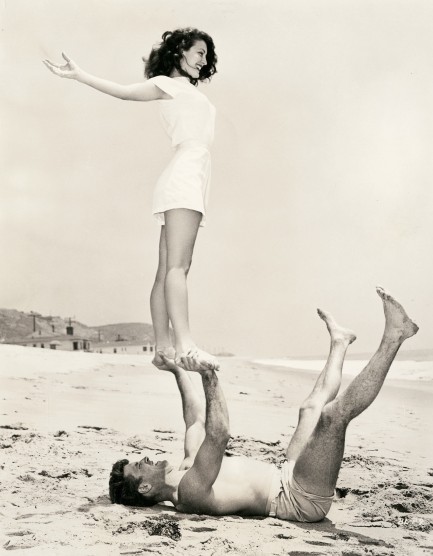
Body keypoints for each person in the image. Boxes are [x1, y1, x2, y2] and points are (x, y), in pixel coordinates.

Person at [108, 286, 419, 522]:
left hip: (287, 472)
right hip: (299, 498)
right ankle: (395, 336)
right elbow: (218, 434)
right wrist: (208, 375)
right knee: (331, 418)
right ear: (145, 488)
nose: (145, 459)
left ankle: (339, 342)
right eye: (139, 466)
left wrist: (176, 370)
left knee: (310, 408)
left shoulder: (186, 466)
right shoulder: (188, 493)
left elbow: (195, 421)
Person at [43, 28, 220, 372]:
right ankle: (185, 345)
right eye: (199, 52)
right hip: (185, 176)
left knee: (166, 270)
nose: (204, 60)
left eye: (206, 56)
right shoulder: (168, 85)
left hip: (188, 176)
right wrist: (80, 75)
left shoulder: (183, 90)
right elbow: (124, 93)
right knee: (178, 268)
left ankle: (163, 348)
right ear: (180, 51)